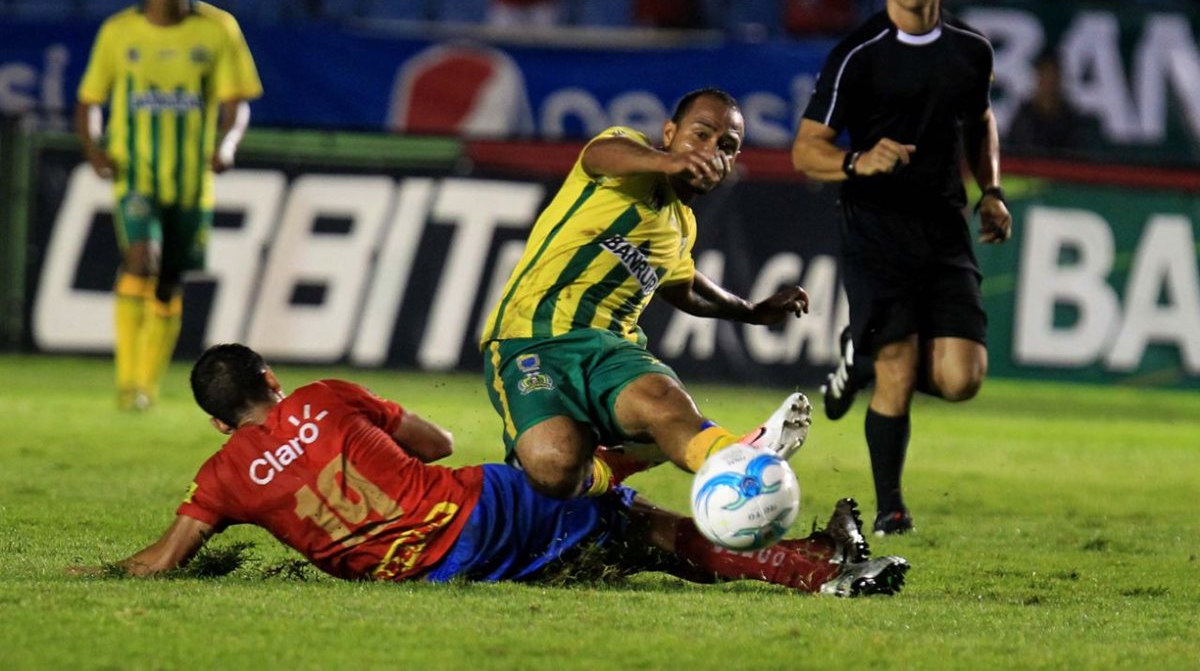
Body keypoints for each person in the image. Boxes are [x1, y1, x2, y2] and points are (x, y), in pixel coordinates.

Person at [73, 343, 910, 598]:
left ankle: (812, 546)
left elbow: (160, 560)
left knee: (620, 529)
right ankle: (759, 493)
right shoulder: (325, 397)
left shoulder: (222, 475)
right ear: (270, 381)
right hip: (470, 511)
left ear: (220, 420)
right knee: (596, 487)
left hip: (427, 571)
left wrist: (94, 571)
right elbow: (435, 443)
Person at [480, 87, 812, 502]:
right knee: (557, 470)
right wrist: (667, 160)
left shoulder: (682, 226)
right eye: (701, 135)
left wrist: (749, 311)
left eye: (728, 147)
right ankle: (616, 462)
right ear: (669, 131)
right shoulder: (629, 161)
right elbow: (599, 153)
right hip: (532, 336)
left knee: (665, 402)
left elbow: (685, 287)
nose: (712, 151)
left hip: (612, 350)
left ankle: (743, 462)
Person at [791, 0, 1012, 537]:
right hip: (877, 229)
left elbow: (980, 121)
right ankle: (890, 506)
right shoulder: (857, 56)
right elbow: (805, 150)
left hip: (944, 229)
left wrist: (991, 190)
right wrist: (859, 160)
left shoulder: (972, 51)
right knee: (897, 359)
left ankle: (857, 356)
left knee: (960, 379)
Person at [74, 0, 262, 411]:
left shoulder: (217, 29)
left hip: (190, 182)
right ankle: (128, 379)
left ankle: (147, 384)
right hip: (136, 174)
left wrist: (228, 144)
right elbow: (90, 100)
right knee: (143, 257)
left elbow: (235, 101)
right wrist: (95, 148)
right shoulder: (119, 32)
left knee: (170, 279)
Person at [1005, 50, 1101, 156]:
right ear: (1037, 77)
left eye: (1052, 73)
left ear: (1060, 78)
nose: (1048, 80)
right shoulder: (1023, 119)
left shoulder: (1073, 122)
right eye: (1043, 73)